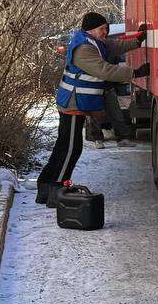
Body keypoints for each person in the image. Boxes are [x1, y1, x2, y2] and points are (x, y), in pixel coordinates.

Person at [38, 11, 148, 205]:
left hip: (75, 102)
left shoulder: (93, 41)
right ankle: (57, 190)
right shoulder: (84, 49)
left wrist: (138, 41)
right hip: (73, 103)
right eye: (102, 29)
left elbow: (114, 46)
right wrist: (136, 72)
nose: (105, 32)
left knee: (64, 146)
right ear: (90, 30)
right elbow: (104, 70)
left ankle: (46, 186)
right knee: (71, 148)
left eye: (106, 28)